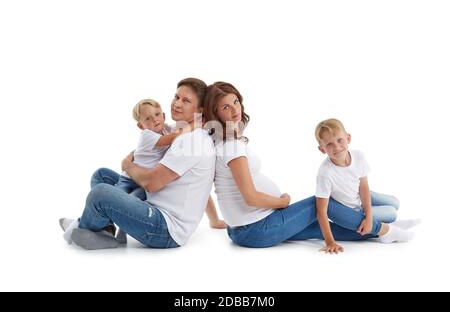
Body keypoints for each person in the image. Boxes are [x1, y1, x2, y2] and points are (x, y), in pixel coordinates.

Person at [202, 81, 418, 250]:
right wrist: (281, 202)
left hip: (246, 230)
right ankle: (386, 229)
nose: (234, 110)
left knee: (323, 229)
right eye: (225, 107)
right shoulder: (231, 146)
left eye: (236, 102)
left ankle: (386, 232)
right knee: (321, 203)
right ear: (216, 113)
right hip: (257, 227)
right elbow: (251, 197)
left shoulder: (226, 142)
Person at [60, 78, 218, 249]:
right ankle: (106, 229)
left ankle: (78, 227)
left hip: (164, 228)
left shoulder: (191, 141)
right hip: (151, 204)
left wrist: (127, 165)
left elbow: (151, 183)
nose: (177, 104)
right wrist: (214, 219)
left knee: (100, 194)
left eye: (186, 101)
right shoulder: (183, 132)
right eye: (176, 97)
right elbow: (199, 185)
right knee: (103, 175)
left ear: (199, 110)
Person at [314, 118, 419, 253]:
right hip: (354, 209)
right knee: (392, 213)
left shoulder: (358, 155)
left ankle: (385, 223)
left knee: (395, 203)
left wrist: (369, 216)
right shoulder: (325, 173)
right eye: (329, 144)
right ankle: (389, 230)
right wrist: (329, 241)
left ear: (348, 138)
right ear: (322, 149)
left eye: (340, 140)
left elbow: (364, 186)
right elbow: (321, 210)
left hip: (362, 194)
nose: (337, 147)